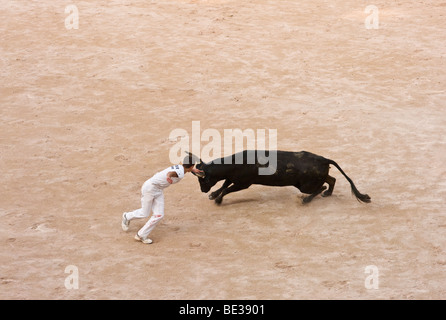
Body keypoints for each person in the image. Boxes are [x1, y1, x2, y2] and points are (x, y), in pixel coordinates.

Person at [121, 155, 202, 244]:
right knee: (144, 213)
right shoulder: (180, 173)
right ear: (191, 166)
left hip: (158, 190)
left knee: (159, 215)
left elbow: (180, 170)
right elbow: (172, 173)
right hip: (150, 189)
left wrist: (192, 170)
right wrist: (168, 176)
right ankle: (127, 216)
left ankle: (141, 235)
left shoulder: (180, 167)